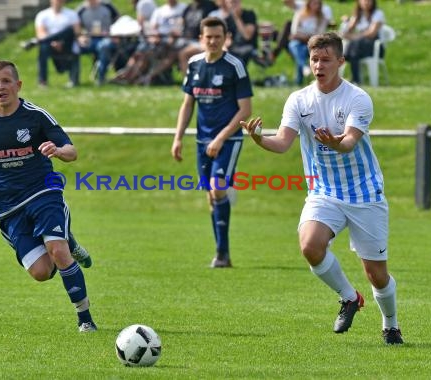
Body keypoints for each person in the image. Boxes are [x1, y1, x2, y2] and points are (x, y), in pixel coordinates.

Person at [240, 32, 403, 344]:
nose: (319, 65)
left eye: (326, 59)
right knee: (310, 246)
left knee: (377, 274)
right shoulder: (299, 100)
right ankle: (349, 297)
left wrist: (335, 143)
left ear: (340, 62)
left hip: (364, 193)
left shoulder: (357, 98)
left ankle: (391, 324)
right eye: (314, 59)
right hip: (323, 191)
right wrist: (259, 139)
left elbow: (351, 142)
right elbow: (283, 142)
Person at [0, 60, 97, 333]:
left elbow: (72, 152)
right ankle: (67, 239)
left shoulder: (35, 116)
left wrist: (58, 151)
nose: (0, 87)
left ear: (18, 85)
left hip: (43, 192)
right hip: (7, 206)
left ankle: (85, 318)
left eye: (6, 81)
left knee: (58, 251)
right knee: (40, 272)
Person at [171, 16, 252, 268]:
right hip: (201, 140)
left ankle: (222, 253)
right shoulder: (194, 65)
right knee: (211, 195)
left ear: (225, 38)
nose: (213, 41)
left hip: (228, 139)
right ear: (201, 39)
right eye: (209, 37)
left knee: (217, 188)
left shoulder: (234, 66)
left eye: (218, 36)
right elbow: (187, 104)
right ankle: (221, 254)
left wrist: (220, 137)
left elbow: (245, 109)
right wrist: (178, 138)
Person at [22, 0, 82, 88]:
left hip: (67, 44)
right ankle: (42, 81)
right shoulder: (42, 15)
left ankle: (35, 42)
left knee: (69, 30)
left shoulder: (72, 14)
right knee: (43, 48)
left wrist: (61, 42)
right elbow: (41, 33)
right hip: (49, 44)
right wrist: (52, 42)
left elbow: (77, 32)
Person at [340, 0, 385, 85]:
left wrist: (356, 37)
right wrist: (348, 22)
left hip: (375, 48)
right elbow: (348, 31)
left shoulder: (378, 14)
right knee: (354, 49)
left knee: (354, 44)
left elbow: (372, 33)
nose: (366, 2)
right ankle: (356, 80)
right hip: (359, 48)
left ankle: (345, 56)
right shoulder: (358, 14)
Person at [287, 0, 328, 85]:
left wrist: (304, 36)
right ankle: (304, 68)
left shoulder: (322, 18)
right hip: (298, 42)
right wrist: (308, 36)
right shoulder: (300, 15)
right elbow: (294, 32)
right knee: (295, 45)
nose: (315, 6)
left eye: (317, 3)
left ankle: (299, 80)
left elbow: (319, 35)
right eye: (313, 3)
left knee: (301, 50)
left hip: (313, 44)